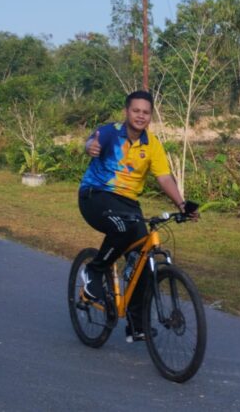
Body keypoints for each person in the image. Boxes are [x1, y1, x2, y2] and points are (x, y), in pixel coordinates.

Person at [79, 90, 194, 343]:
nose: (140, 116)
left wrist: (182, 204)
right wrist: (90, 147)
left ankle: (136, 324)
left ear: (150, 116)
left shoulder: (152, 144)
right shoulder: (111, 133)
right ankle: (94, 271)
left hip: (128, 203)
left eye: (146, 112)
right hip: (96, 195)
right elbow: (90, 143)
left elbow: (164, 177)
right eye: (136, 111)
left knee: (145, 255)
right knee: (121, 229)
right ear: (127, 112)